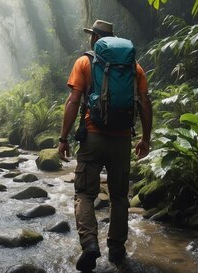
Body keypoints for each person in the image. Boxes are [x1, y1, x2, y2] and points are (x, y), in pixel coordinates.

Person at [58, 20, 152, 272]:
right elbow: (144, 102)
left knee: (85, 194)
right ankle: (117, 248)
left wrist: (63, 138)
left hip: (92, 137)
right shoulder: (134, 66)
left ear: (95, 38)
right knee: (120, 197)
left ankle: (90, 244)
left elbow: (73, 101)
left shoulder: (84, 63)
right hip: (122, 140)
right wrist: (146, 138)